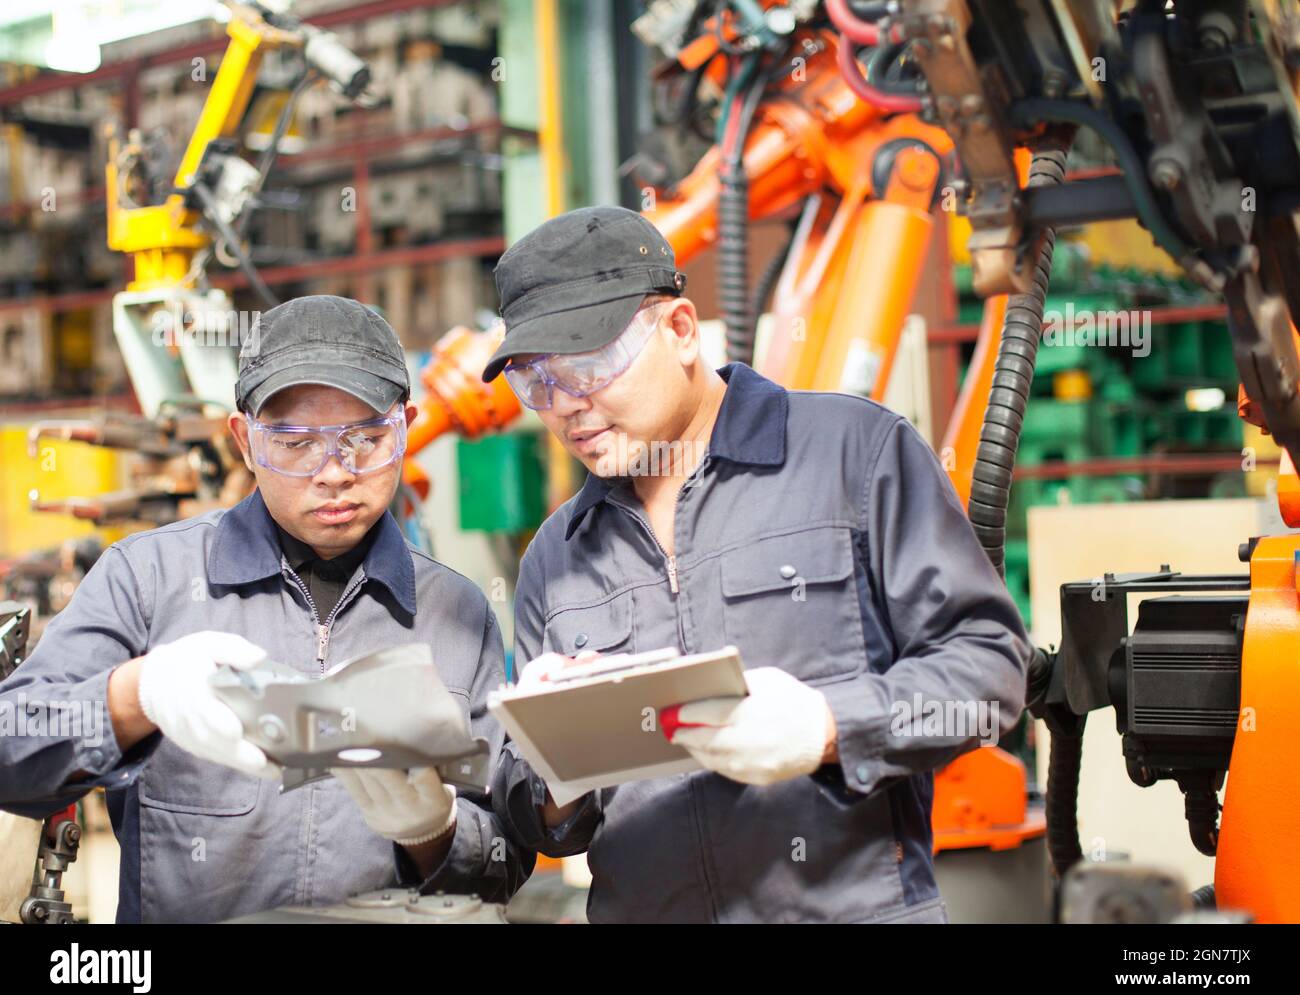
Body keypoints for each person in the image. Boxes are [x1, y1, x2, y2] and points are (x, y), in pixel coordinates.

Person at [484, 206, 1032, 923]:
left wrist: (829, 725)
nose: (568, 408)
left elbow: (989, 673)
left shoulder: (853, 455)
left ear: (679, 330)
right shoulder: (555, 556)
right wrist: (555, 763)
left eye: (589, 366)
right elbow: (549, 823)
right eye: (539, 383)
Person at [0, 295, 530, 922]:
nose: (334, 472)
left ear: (406, 428)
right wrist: (137, 695)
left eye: (364, 438)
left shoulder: (459, 615)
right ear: (244, 442)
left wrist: (432, 828)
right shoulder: (147, 579)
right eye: (296, 442)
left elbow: (503, 866)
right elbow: (12, 751)